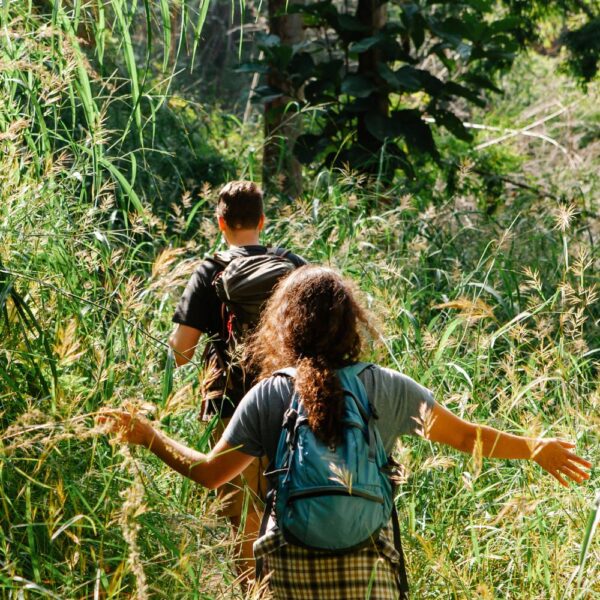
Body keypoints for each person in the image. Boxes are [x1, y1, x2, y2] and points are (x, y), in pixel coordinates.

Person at [103, 266, 591, 598]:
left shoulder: (271, 394)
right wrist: (535, 449)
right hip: (369, 566)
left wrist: (149, 436)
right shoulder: (389, 388)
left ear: (283, 325)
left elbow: (210, 474)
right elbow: (467, 438)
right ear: (354, 324)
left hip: (290, 564)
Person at [167, 180, 305, 577]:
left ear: (220, 222)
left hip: (230, 405)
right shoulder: (293, 266)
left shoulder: (210, 269)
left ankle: (254, 592)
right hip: (290, 403)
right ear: (262, 220)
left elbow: (181, 352)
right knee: (293, 507)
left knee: (245, 519)